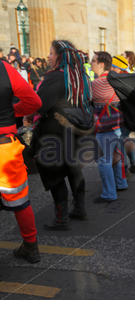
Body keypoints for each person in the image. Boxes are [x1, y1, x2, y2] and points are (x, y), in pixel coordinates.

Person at [32, 40, 92, 230]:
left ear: (60, 56)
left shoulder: (55, 77)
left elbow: (39, 105)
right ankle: (80, 208)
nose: (48, 56)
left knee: (55, 174)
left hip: (55, 132)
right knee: (74, 170)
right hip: (77, 132)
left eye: (51, 53)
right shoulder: (81, 76)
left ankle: (61, 218)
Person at [0, 59, 42, 263]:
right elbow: (34, 102)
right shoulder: (4, 68)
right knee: (20, 201)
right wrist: (12, 112)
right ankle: (31, 246)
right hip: (5, 146)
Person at [91, 51, 128, 203]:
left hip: (104, 127)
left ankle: (109, 193)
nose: (91, 63)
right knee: (117, 156)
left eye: (93, 61)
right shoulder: (117, 80)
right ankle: (121, 183)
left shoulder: (95, 84)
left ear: (101, 64)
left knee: (104, 161)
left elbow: (86, 100)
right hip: (119, 125)